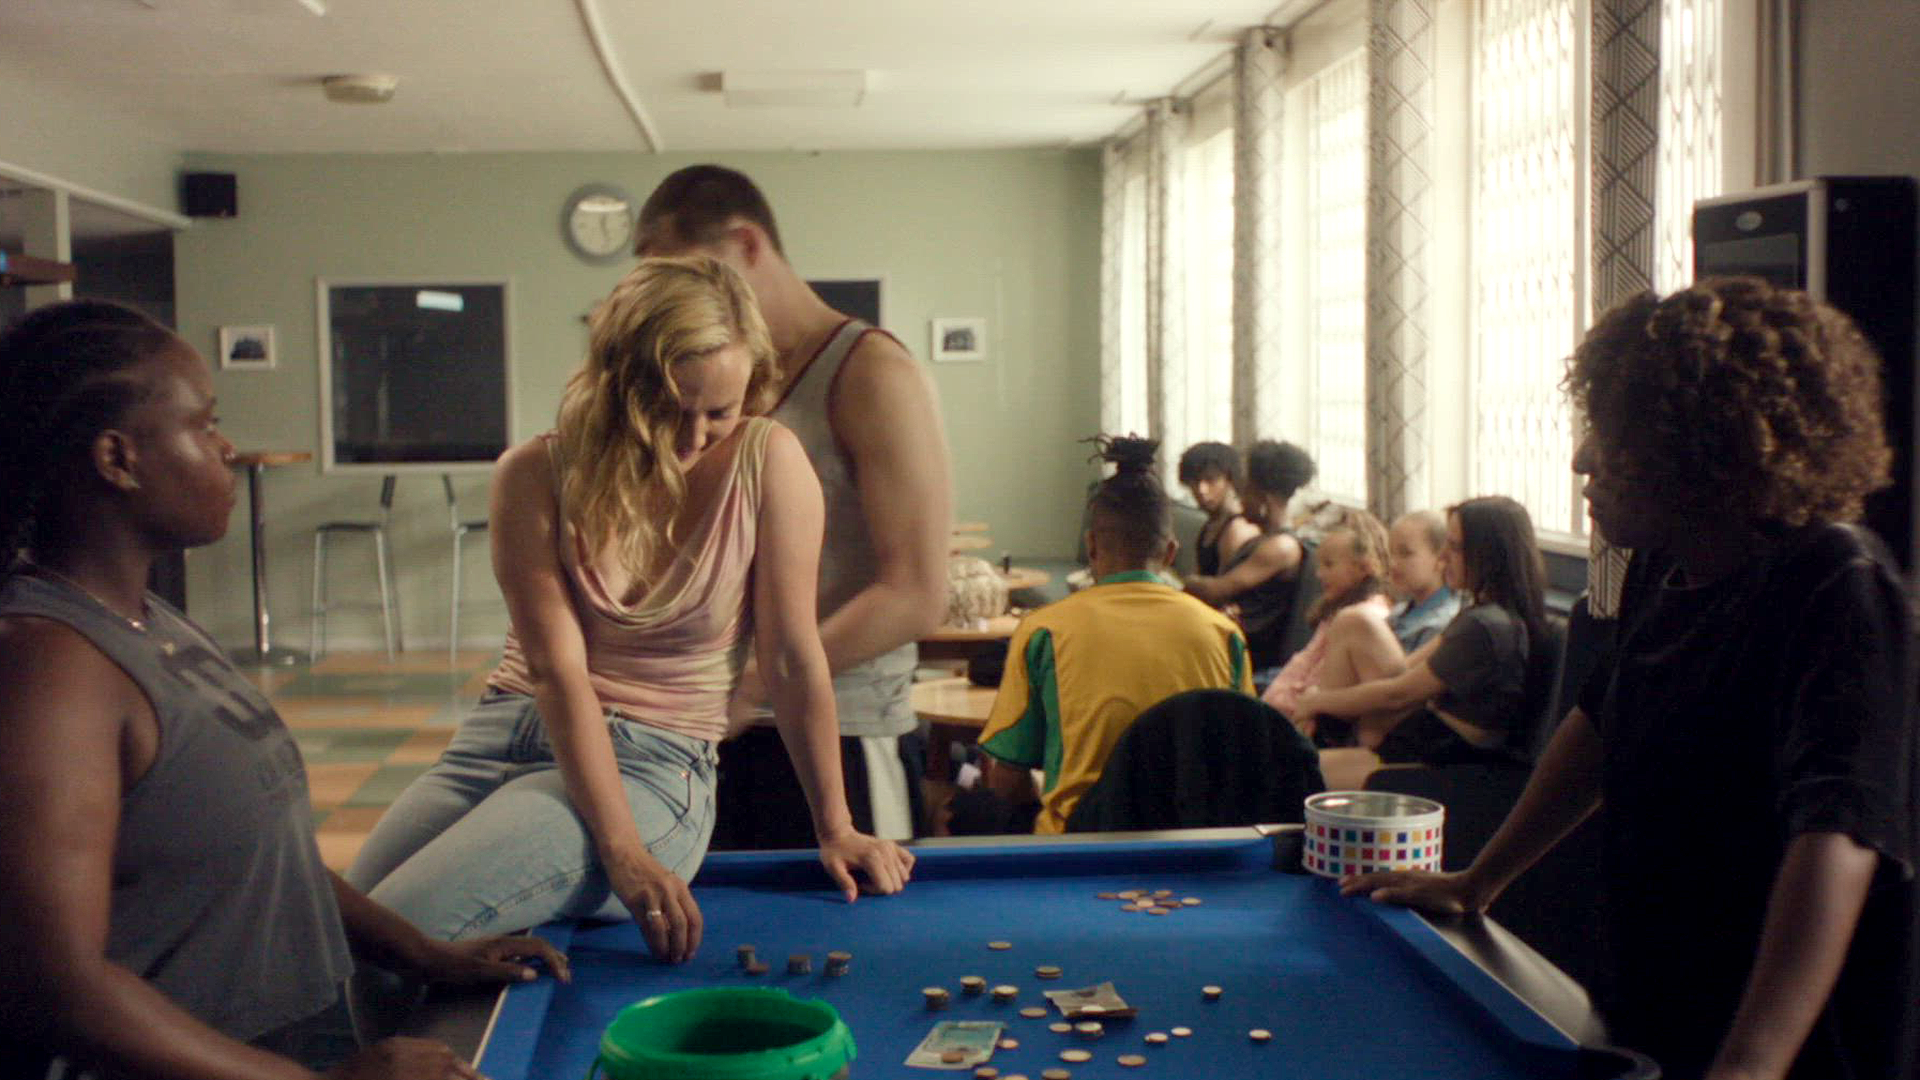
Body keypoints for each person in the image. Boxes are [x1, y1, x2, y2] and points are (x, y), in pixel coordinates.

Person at [1347, 278, 1919, 1080]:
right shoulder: (1662, 563)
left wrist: (1750, 1065)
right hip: (1660, 989)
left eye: (1611, 437)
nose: (1582, 459)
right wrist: (1479, 881)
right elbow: (1598, 724)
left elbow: (1838, 831)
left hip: (1793, 1036)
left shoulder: (1834, 578)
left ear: (1702, 447)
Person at [0, 300, 569, 1080]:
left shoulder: (149, 620)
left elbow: (261, 851)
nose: (225, 448)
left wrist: (423, 951)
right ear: (117, 458)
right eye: (203, 426)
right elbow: (59, 987)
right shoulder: (50, 669)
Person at [345, 258, 914, 969]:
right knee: (335, 932)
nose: (694, 437)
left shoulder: (768, 462)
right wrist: (620, 853)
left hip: (651, 766)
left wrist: (836, 826)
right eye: (670, 409)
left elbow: (793, 658)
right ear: (619, 386)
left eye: (720, 411)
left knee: (395, 935)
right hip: (496, 741)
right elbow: (556, 672)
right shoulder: (533, 473)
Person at [635, 164, 952, 847]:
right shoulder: (707, 383)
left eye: (689, 275)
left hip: (841, 728)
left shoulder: (871, 372)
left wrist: (756, 684)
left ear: (746, 244)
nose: (679, 302)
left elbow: (917, 593)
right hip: (708, 725)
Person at [962, 436, 1255, 834]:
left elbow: (1007, 782)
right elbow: (1239, 756)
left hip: (1077, 847)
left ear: (1091, 546)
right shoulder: (1223, 634)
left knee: (960, 808)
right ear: (1170, 553)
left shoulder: (1045, 631)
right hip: (1191, 845)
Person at [1296, 496, 1548, 789]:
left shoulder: (1486, 626)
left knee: (1294, 774)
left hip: (1443, 761)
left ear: (1486, 554)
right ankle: (1318, 736)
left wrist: (1318, 701)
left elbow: (1398, 694)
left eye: (1454, 547)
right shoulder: (1478, 614)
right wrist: (1319, 700)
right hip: (1420, 742)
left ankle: (1318, 736)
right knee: (1294, 764)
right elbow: (1406, 668)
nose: (1443, 557)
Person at [1183, 439, 1317, 675]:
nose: (1240, 500)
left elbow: (1215, 590)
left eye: (1245, 492)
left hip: (1255, 663)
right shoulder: (1261, 541)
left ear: (1264, 498)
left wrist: (1185, 583)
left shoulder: (1281, 547)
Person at [1262, 509, 1402, 725]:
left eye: (1328, 565)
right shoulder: (1335, 612)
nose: (1319, 574)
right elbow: (1303, 666)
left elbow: (1320, 681)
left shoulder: (1366, 617)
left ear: (1363, 567)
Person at [1177, 440, 1259, 576]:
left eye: (1210, 480)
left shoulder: (1237, 529)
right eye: (1195, 481)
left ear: (1230, 480)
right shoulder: (1212, 525)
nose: (1201, 490)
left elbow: (1225, 586)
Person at [1385, 509, 1461, 652]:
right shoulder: (1397, 614)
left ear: (1441, 558)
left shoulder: (1444, 624)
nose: (1393, 564)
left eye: (1405, 553)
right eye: (1391, 553)